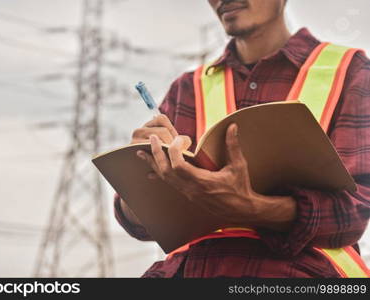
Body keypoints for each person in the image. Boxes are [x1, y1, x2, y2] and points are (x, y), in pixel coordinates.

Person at [114, 0, 370, 277]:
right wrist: (138, 178)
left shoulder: (349, 73)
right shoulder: (188, 88)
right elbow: (138, 223)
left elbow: (356, 210)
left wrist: (255, 208)